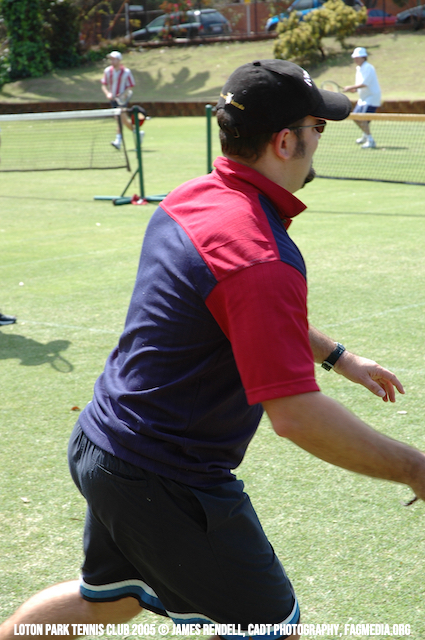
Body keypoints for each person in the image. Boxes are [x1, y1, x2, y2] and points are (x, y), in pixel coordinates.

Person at [1, 59, 424, 640]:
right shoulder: (259, 255)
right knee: (268, 629)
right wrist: (415, 468)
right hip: (164, 474)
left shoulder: (193, 197)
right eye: (318, 127)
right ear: (285, 142)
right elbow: (297, 417)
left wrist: (339, 357)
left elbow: (238, 308)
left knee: (110, 603)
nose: (319, 140)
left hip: (104, 442)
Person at [344, 46, 381, 149]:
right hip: (363, 99)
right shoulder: (359, 68)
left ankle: (370, 140)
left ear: (364, 57)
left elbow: (365, 83)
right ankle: (365, 136)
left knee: (361, 118)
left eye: (358, 57)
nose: (355, 59)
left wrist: (350, 87)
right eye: (354, 57)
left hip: (371, 98)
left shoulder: (368, 67)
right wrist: (355, 90)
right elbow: (361, 84)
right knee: (355, 117)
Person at [101, 51, 139, 150]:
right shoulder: (107, 71)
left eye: (114, 59)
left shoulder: (126, 72)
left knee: (119, 118)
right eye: (111, 59)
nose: (112, 61)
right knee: (123, 119)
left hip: (122, 100)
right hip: (113, 99)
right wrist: (108, 93)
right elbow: (104, 85)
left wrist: (123, 95)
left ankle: (118, 141)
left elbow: (130, 86)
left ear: (119, 60)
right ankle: (138, 133)